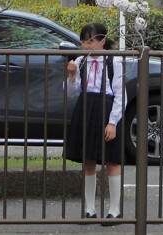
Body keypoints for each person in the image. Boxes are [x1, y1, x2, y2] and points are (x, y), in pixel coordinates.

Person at [64, 22, 125, 225]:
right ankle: (89, 210)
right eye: (83, 40)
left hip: (106, 109)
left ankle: (115, 211)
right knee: (88, 160)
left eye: (90, 40)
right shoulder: (81, 61)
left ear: (102, 41)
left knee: (112, 161)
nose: (86, 45)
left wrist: (113, 122)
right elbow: (71, 93)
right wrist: (72, 75)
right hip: (85, 108)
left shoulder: (114, 62)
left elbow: (120, 95)